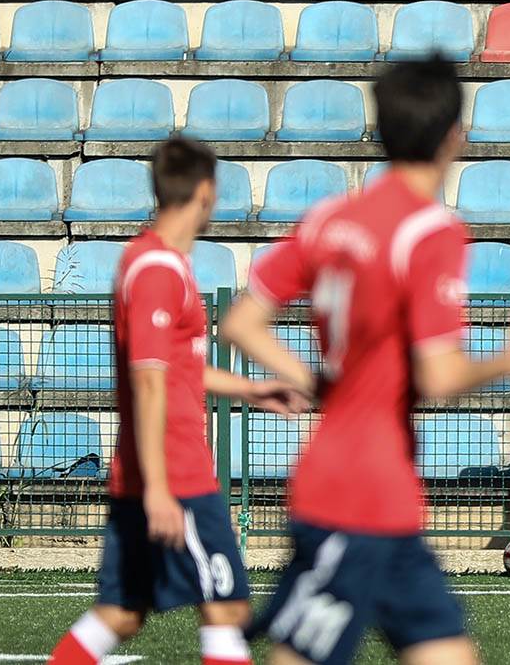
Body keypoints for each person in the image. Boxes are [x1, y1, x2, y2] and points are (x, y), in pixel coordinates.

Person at [220, 57, 510, 665]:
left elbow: (240, 322)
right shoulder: (430, 231)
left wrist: (317, 380)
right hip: (358, 495)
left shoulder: (330, 219)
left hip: (375, 493)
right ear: (454, 136)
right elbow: (437, 374)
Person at [48, 139, 309, 665]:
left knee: (123, 613)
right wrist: (160, 490)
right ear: (206, 191)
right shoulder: (157, 270)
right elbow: (148, 381)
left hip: (153, 475)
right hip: (174, 476)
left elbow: (178, 367)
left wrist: (252, 389)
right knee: (227, 608)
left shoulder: (159, 262)